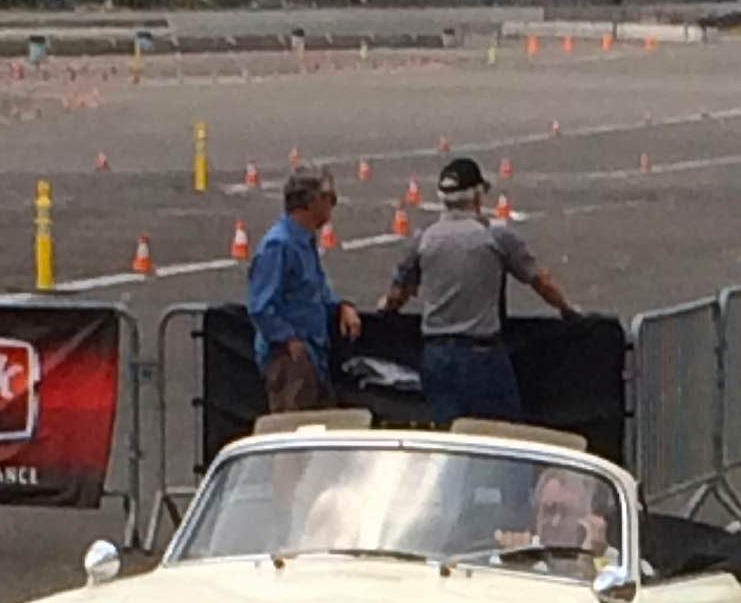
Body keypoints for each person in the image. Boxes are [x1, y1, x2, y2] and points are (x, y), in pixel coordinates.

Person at [377, 157, 578, 425]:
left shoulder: (423, 240)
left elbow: (396, 295)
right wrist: (568, 309)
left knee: (449, 435)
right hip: (482, 355)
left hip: (436, 355)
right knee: (499, 435)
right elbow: (540, 281)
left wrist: (384, 310)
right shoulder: (495, 238)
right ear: (478, 194)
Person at [246, 169, 362, 414]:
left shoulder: (304, 241)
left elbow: (316, 287)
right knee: (293, 434)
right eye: (329, 198)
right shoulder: (278, 245)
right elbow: (261, 306)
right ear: (311, 202)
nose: (333, 204)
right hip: (291, 360)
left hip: (312, 354)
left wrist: (342, 305)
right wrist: (289, 340)